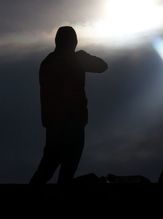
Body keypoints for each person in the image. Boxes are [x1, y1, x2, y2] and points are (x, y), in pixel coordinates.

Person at [30, 26, 108, 185]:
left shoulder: (48, 62)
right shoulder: (73, 60)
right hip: (70, 124)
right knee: (61, 168)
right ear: (73, 42)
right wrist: (82, 58)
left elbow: (102, 66)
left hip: (56, 124)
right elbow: (102, 66)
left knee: (49, 168)